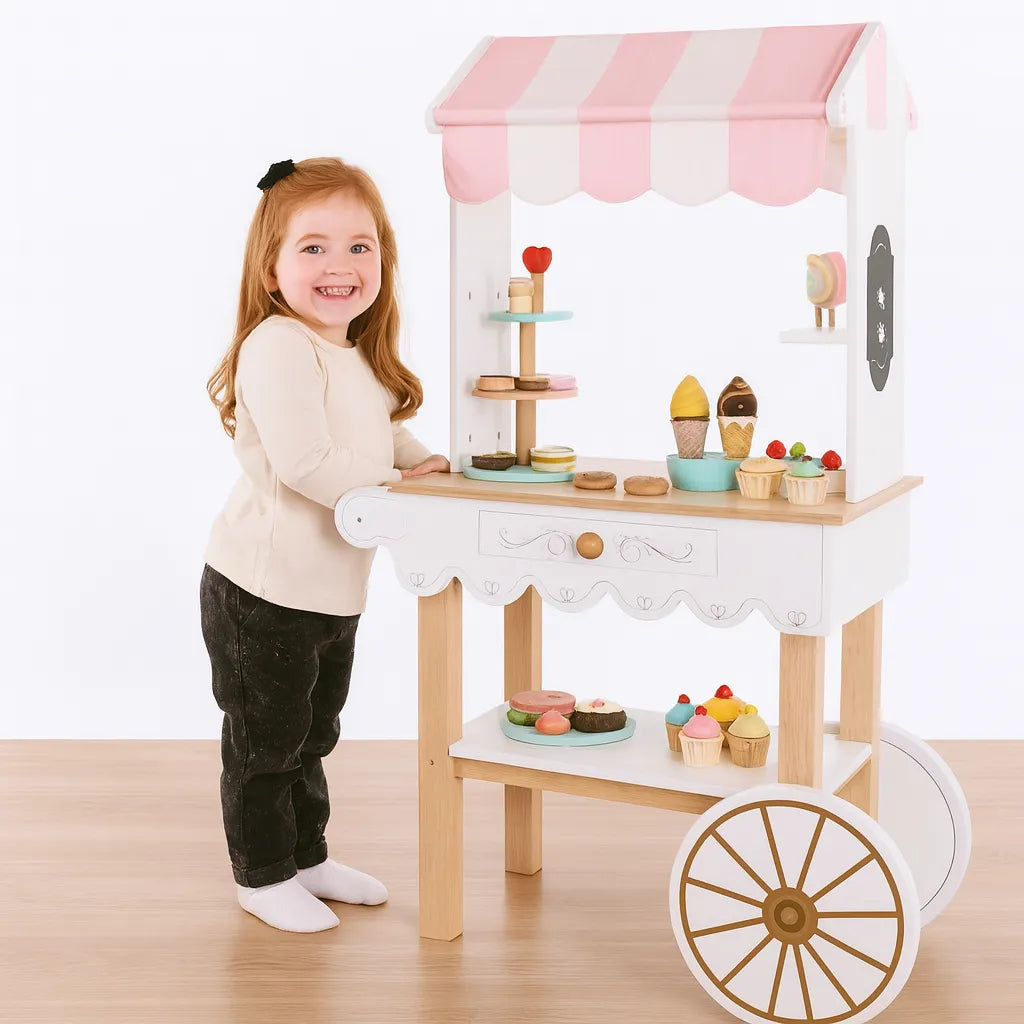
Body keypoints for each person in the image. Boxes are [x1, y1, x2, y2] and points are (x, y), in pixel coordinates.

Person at [200, 157, 449, 933]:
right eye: (312, 247)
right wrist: (399, 490)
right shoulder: (277, 345)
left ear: (384, 260)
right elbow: (309, 463)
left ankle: (306, 856)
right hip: (264, 589)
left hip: (330, 589)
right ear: (271, 271)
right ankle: (261, 872)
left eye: (359, 246)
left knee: (314, 732)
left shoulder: (352, 353)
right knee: (267, 739)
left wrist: (421, 462)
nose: (339, 265)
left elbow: (379, 432)